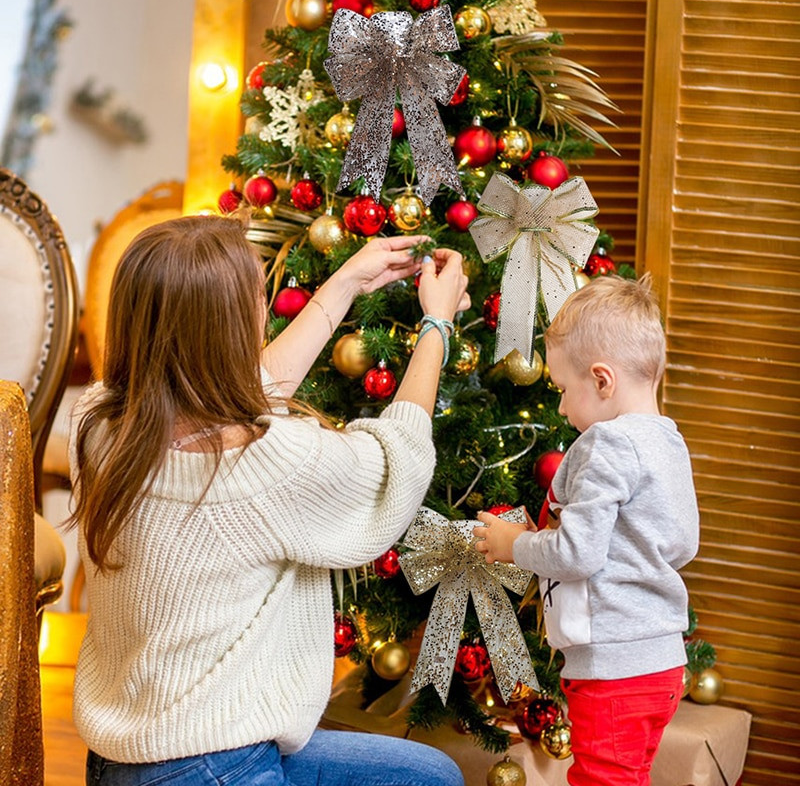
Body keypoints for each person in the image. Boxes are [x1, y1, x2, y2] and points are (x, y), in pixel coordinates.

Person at [67, 214, 470, 786]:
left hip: (124, 760)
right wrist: (437, 324)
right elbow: (394, 465)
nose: (267, 305)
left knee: (428, 776)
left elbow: (238, 388)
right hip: (213, 766)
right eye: (259, 296)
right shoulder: (265, 462)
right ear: (228, 328)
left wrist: (347, 282)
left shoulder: (101, 420)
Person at [473, 274, 699, 786]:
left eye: (561, 389)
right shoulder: (667, 441)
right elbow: (683, 544)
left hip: (614, 666)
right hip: (660, 662)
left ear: (601, 380)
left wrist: (517, 546)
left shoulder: (608, 444)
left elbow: (577, 555)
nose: (559, 406)